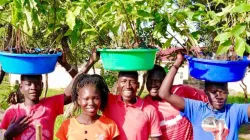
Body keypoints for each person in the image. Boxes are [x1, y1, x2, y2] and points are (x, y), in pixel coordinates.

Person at [64, 47, 162, 140]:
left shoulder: (149, 110)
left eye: (132, 82)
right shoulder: (109, 101)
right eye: (123, 81)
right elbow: (82, 83)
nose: (128, 86)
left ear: (138, 85)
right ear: (118, 84)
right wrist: (90, 62)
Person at [158, 54, 250, 140]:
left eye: (223, 92)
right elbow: (164, 94)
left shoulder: (235, 111)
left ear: (228, 92)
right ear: (206, 92)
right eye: (214, 92)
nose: (219, 96)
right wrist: (177, 63)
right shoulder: (196, 109)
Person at [0, 51, 78, 140]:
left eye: (37, 84)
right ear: (21, 88)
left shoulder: (50, 105)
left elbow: (79, 88)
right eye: (28, 84)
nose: (33, 87)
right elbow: (3, 135)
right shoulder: (12, 111)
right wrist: (7, 135)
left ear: (42, 86)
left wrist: (66, 65)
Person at [144, 64, 208, 139]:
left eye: (157, 81)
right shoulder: (146, 104)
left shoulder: (181, 91)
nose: (153, 84)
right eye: (150, 81)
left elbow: (207, 99)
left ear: (165, 82)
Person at [56, 74, 119, 140]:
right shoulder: (67, 125)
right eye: (86, 99)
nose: (91, 103)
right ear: (79, 100)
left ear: (101, 99)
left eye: (96, 98)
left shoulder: (110, 125)